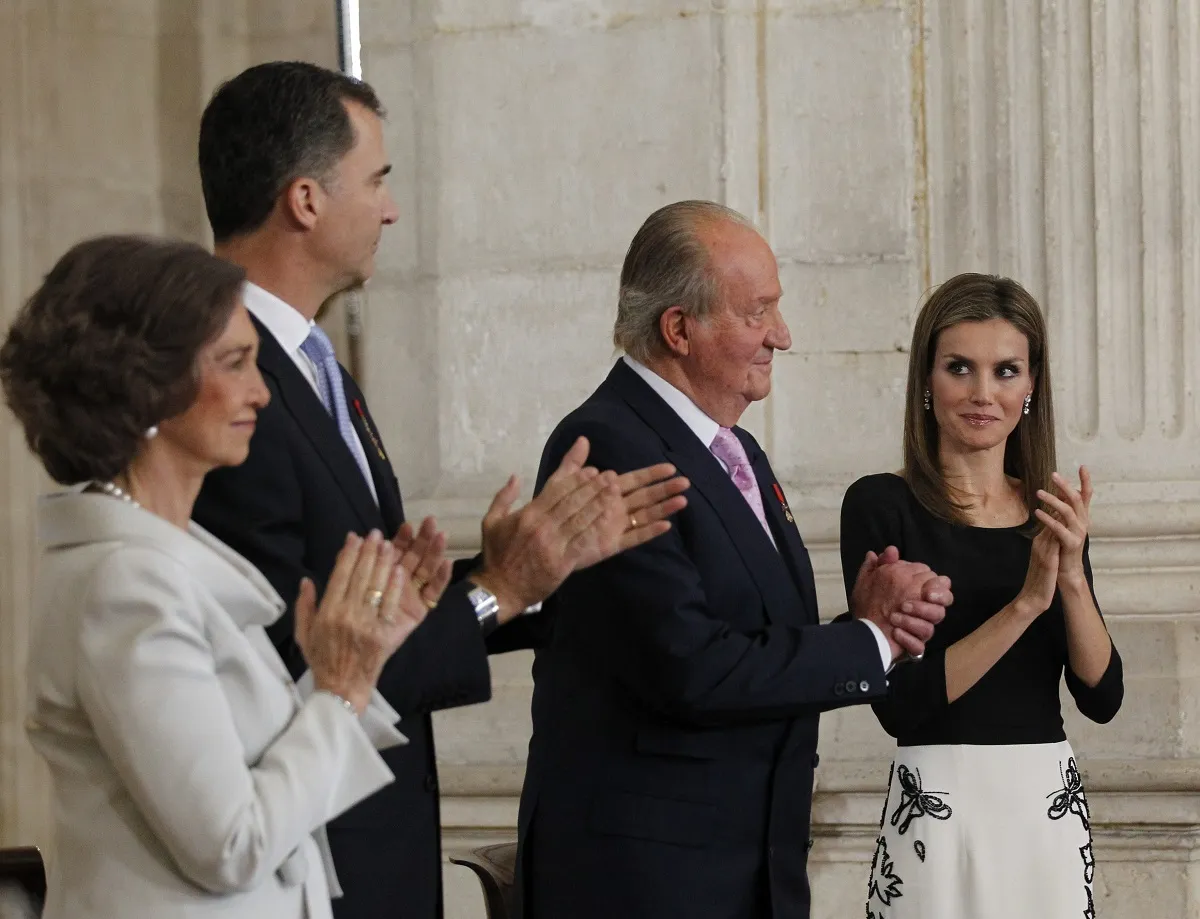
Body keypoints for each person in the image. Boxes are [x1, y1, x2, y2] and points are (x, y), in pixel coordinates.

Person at [190, 61, 689, 919]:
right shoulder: (228, 389)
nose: (389, 208)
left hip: (374, 848)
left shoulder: (315, 367)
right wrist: (499, 590)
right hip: (305, 861)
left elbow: (374, 609)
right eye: (377, 181)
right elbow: (297, 656)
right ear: (305, 200)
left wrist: (532, 581)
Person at [516, 200, 954, 919]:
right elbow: (692, 667)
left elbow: (747, 635)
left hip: (744, 865)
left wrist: (861, 617)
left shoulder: (735, 448)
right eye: (758, 313)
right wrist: (867, 639)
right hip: (646, 879)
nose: (781, 335)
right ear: (679, 329)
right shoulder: (609, 447)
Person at [1, 235, 434, 918]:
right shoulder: (126, 585)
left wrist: (362, 652)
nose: (261, 392)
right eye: (234, 362)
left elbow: (248, 763)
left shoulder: (163, 557)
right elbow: (232, 841)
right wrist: (340, 690)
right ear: (146, 385)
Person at [840, 272, 1124, 918]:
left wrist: (1071, 575)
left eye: (1005, 371)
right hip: (936, 799)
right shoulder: (881, 505)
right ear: (925, 380)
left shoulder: (1049, 511)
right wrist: (1025, 603)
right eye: (959, 367)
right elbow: (902, 705)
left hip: (1041, 805)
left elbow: (1103, 695)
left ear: (1030, 387)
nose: (981, 393)